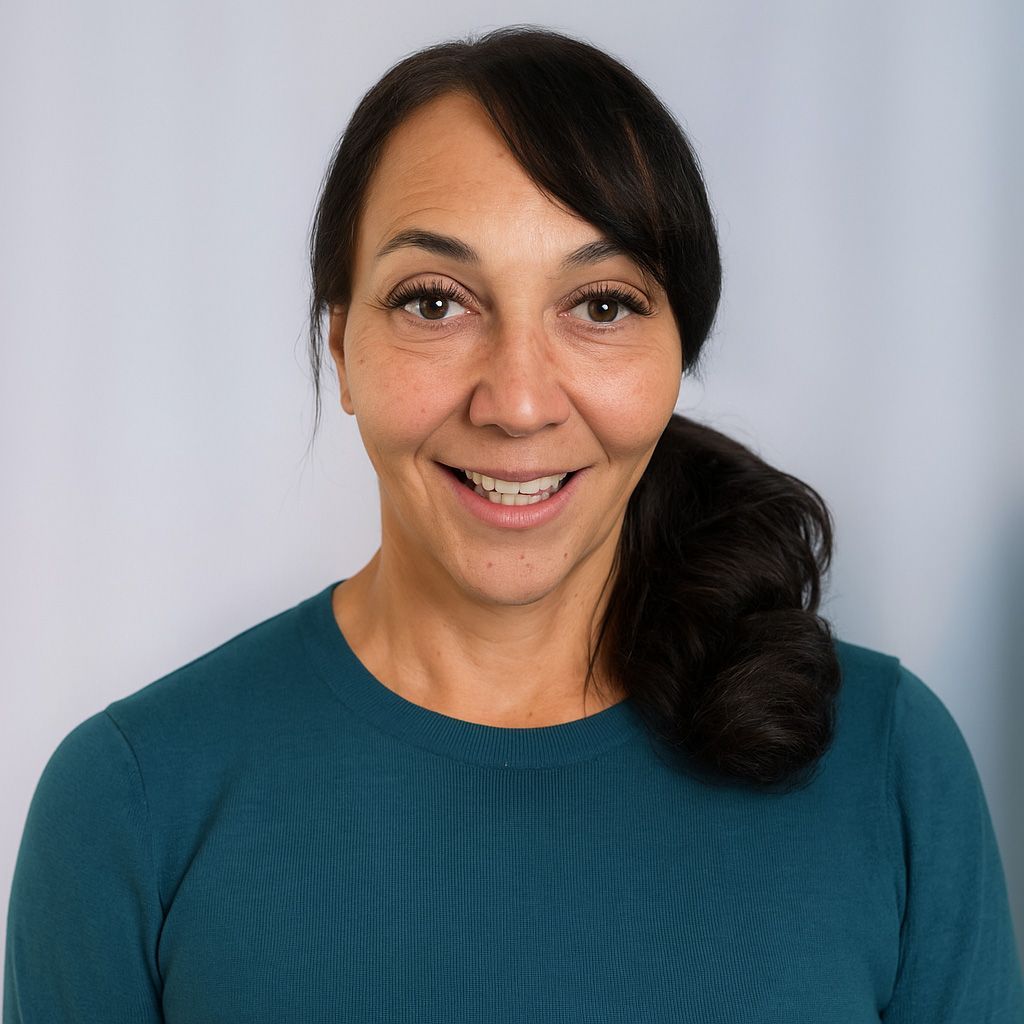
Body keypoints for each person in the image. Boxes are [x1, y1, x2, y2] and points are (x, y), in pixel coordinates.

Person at [4, 24, 1023, 1022]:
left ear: (678, 355)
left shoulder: (887, 765)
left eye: (603, 305)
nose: (519, 401)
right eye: (436, 302)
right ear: (341, 347)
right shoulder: (132, 802)